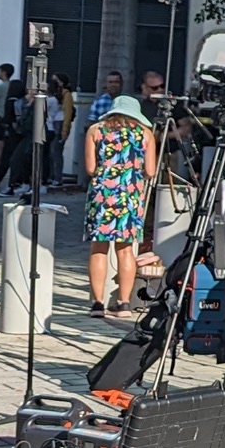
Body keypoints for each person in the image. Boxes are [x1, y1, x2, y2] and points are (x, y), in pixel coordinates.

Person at [83, 94, 158, 315]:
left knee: (99, 248)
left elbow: (90, 168)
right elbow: (151, 171)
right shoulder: (145, 134)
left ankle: (98, 304)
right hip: (130, 195)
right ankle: (124, 303)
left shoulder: (96, 131)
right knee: (125, 250)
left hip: (102, 196)